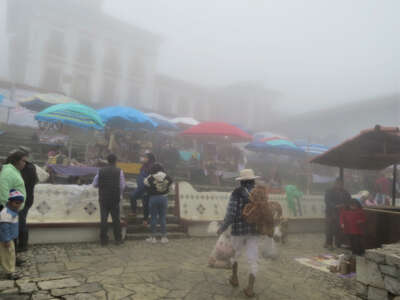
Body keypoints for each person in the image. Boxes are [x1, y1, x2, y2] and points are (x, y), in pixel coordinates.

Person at [217, 169, 260, 298]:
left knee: (234, 254)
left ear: (241, 181)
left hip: (239, 230)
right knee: (253, 258)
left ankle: (235, 278)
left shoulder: (237, 193)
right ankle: (250, 288)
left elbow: (231, 214)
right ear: (253, 180)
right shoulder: (258, 193)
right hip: (254, 230)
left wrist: (222, 227)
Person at [92, 154, 126, 246]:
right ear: (116, 161)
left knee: (104, 219)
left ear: (107, 161)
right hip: (115, 197)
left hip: (103, 197)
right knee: (116, 219)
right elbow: (122, 186)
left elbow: (95, 184)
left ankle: (103, 240)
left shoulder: (101, 171)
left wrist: (103, 186)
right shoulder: (119, 171)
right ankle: (118, 239)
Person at [12, 147, 38, 252]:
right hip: (24, 198)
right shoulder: (28, 167)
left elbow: (23, 183)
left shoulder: (29, 168)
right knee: (20, 221)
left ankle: (23, 245)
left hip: (25, 200)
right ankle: (21, 244)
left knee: (21, 222)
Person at [144, 163, 173, 244]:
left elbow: (145, 183)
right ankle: (164, 237)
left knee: (153, 218)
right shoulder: (167, 177)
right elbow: (171, 185)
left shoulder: (150, 177)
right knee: (162, 218)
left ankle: (153, 237)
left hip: (153, 198)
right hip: (164, 198)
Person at [0, 190, 25, 280]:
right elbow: (4, 228)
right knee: (9, 256)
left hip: (10, 238)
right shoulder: (6, 213)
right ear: (10, 202)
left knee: (7, 255)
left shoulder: (13, 211)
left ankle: (9, 270)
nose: (18, 205)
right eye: (16, 203)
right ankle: (10, 272)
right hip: (5, 240)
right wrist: (6, 240)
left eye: (20, 203)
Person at [324, 178, 351, 250]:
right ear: (335, 183)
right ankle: (328, 243)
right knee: (330, 228)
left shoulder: (346, 192)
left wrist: (344, 205)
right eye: (338, 183)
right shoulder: (329, 191)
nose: (339, 185)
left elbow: (349, 201)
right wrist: (335, 206)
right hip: (331, 212)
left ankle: (338, 243)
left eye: (341, 183)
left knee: (339, 228)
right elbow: (327, 201)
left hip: (341, 213)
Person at [130, 153, 155, 225]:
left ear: (149, 159)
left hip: (147, 189)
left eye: (145, 158)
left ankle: (145, 219)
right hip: (140, 187)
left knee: (145, 204)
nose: (144, 159)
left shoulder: (152, 167)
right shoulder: (143, 167)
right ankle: (134, 211)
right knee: (132, 196)